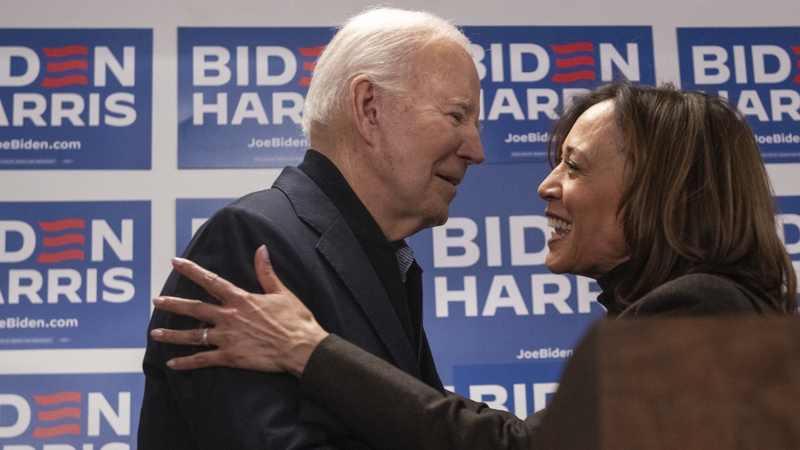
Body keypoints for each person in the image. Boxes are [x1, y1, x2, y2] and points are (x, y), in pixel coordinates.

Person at [147, 82, 798, 449]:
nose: (545, 187)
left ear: (660, 187)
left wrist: (308, 348)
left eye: (573, 165)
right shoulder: (719, 307)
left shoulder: (702, 307)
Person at [137, 7, 483, 449]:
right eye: (456, 116)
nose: (476, 150)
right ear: (369, 108)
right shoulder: (251, 245)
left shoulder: (385, 257)